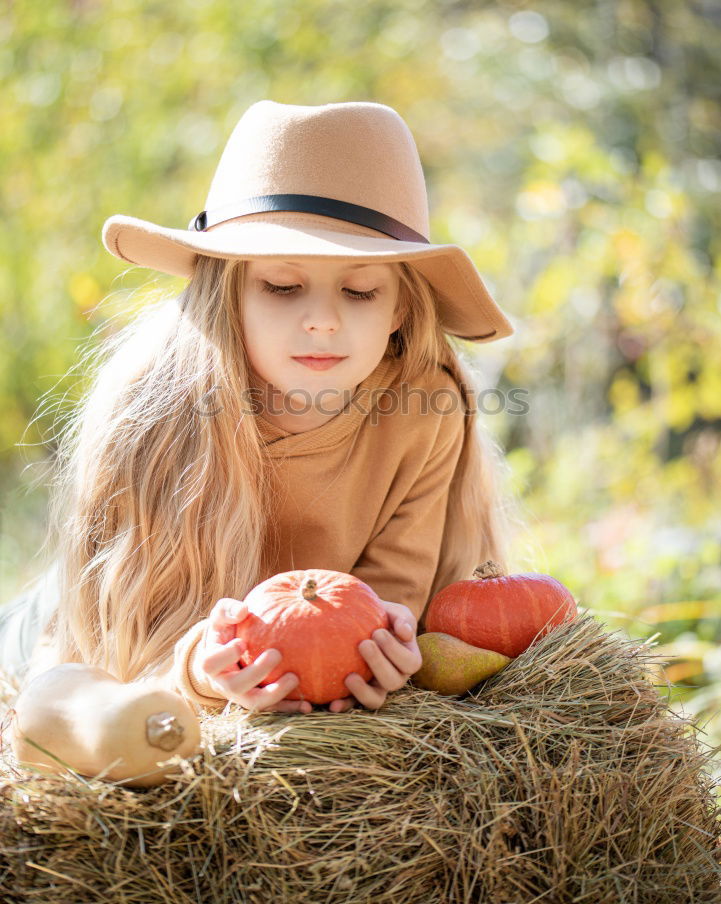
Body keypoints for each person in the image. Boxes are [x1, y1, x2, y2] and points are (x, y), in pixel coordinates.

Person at [1, 99, 520, 719]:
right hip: (77, 639)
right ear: (230, 293)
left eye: (359, 291)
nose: (323, 320)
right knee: (47, 694)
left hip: (295, 649)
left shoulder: (427, 409)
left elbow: (392, 592)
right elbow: (113, 643)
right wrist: (200, 671)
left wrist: (383, 648)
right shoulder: (152, 416)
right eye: (282, 286)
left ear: (401, 309)